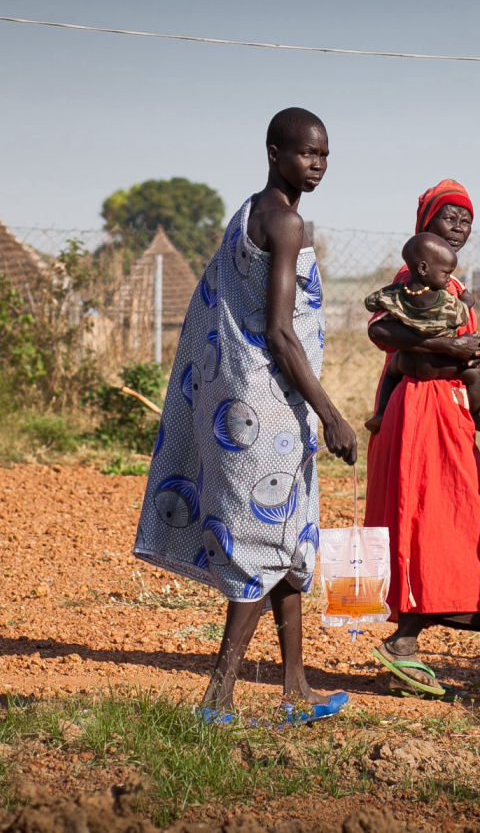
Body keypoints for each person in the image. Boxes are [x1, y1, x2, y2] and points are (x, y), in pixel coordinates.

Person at [132, 106, 358, 724]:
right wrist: (331, 415)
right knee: (262, 549)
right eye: (307, 153)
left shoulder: (249, 211)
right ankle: (218, 696)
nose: (318, 165)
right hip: (269, 406)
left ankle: (294, 690)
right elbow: (282, 334)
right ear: (273, 151)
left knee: (288, 545)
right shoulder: (285, 223)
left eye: (325, 155)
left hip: (244, 400)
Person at [364, 179, 480, 696]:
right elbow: (381, 333)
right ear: (425, 228)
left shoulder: (452, 285)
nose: (461, 225)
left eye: (467, 218)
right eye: (450, 217)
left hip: (447, 408)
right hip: (421, 407)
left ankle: (408, 639)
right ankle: (404, 642)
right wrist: (448, 343)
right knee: (424, 516)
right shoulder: (412, 280)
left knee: (446, 517)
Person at [363, 232, 480, 436]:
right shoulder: (444, 302)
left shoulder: (396, 293)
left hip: (407, 362)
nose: (448, 278)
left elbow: (372, 301)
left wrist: (376, 300)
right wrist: (467, 300)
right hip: (436, 365)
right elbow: (463, 315)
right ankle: (476, 416)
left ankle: (380, 413)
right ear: (423, 268)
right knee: (474, 374)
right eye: (446, 273)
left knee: (390, 374)